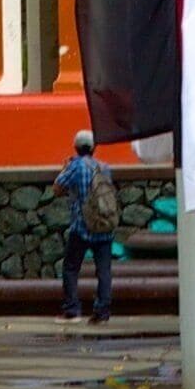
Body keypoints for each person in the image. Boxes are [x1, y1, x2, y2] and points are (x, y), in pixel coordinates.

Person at [54, 128, 120, 322]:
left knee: (71, 268)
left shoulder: (76, 166)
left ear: (76, 147)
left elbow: (57, 187)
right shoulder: (105, 167)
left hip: (82, 227)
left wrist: (65, 169)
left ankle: (72, 310)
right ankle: (102, 312)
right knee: (104, 271)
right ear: (94, 148)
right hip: (104, 227)